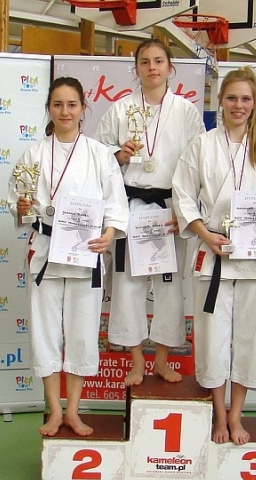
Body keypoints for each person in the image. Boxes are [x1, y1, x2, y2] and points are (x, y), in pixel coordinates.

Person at [172, 66, 256, 445]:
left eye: (245, 99)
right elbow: (182, 195)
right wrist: (204, 234)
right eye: (231, 98)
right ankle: (218, 413)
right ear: (220, 102)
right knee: (212, 337)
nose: (238, 105)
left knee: (250, 339)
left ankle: (237, 414)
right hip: (216, 252)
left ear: (255, 104)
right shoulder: (202, 145)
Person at [8, 77, 128, 438]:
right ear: (49, 108)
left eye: (72, 104)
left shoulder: (100, 155)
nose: (65, 111)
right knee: (45, 332)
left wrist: (109, 233)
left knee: (82, 331)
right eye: (58, 104)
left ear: (83, 109)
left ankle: (74, 410)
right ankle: (54, 410)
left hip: (85, 252)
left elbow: (116, 203)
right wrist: (22, 208)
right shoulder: (33, 155)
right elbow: (19, 202)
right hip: (46, 251)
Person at [97, 39, 205, 386]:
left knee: (168, 287)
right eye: (145, 62)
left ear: (170, 67)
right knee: (128, 284)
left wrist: (186, 213)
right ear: (136, 69)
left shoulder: (186, 111)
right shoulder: (120, 109)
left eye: (159, 61)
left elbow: (198, 164)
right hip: (131, 207)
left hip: (169, 210)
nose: (152, 67)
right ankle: (135, 361)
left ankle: (160, 359)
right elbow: (99, 158)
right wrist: (119, 155)